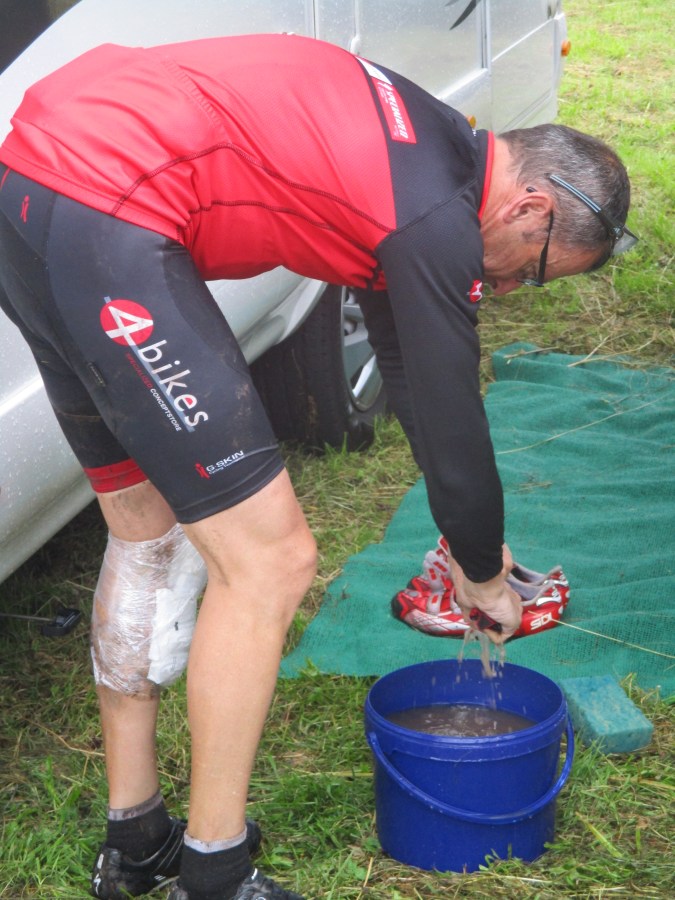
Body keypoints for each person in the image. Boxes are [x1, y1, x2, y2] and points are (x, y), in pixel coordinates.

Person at [0, 33, 636, 900]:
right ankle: (215, 871)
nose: (517, 287)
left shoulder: (428, 159)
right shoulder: (431, 217)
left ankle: (137, 838)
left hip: (31, 185)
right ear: (529, 207)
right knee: (270, 560)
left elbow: (413, 377)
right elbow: (452, 412)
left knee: (146, 532)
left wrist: (470, 546)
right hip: (108, 203)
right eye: (536, 271)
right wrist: (484, 578)